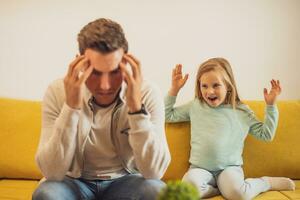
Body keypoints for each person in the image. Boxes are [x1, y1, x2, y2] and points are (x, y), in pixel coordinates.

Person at [32, 18, 171, 200]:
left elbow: (155, 173)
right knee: (46, 194)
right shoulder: (57, 92)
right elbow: (52, 173)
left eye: (114, 71)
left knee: (158, 192)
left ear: (126, 64)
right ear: (80, 64)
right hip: (74, 182)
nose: (105, 86)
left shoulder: (146, 93)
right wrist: (71, 107)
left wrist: (136, 109)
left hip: (125, 181)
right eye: (96, 72)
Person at [164, 58, 295, 199]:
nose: (210, 91)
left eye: (216, 85)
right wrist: (174, 90)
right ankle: (218, 190)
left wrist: (271, 106)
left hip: (229, 169)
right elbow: (167, 115)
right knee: (185, 192)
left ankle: (265, 183)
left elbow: (266, 134)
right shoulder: (196, 106)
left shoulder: (241, 111)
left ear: (228, 85)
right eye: (204, 86)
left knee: (239, 194)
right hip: (199, 169)